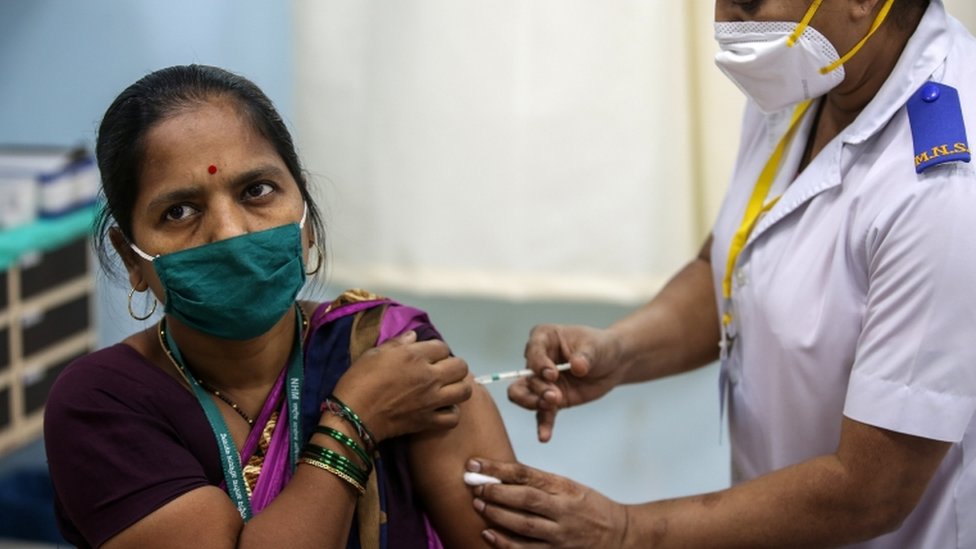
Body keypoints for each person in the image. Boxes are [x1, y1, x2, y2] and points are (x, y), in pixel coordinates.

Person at [466, 0, 976, 547]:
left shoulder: (942, 190)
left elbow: (872, 492)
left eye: (748, 0)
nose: (724, 21)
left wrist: (627, 531)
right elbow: (736, 265)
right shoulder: (810, 72)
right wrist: (619, 350)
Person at [44, 64, 514, 549]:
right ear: (131, 258)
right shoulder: (100, 404)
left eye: (256, 191)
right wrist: (352, 423)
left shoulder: (389, 351)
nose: (230, 232)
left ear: (305, 214)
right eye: (179, 211)